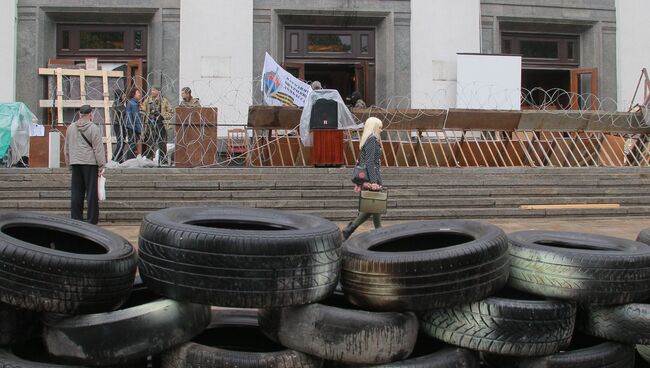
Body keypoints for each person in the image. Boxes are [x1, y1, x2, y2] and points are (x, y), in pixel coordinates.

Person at [342, 117, 383, 240]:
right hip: (371, 178)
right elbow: (370, 163)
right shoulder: (371, 141)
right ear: (374, 127)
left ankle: (351, 229)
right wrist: (374, 182)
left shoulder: (369, 140)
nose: (381, 130)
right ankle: (378, 231)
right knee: (375, 203)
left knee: (373, 205)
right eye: (380, 127)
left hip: (370, 177)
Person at [64, 105, 106, 225]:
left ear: (79, 115)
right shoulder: (93, 128)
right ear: (90, 114)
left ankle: (76, 218)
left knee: (76, 192)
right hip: (90, 163)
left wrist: (68, 164)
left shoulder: (71, 128)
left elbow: (66, 147)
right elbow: (98, 148)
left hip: (75, 162)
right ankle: (92, 219)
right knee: (91, 192)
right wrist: (101, 165)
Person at [142, 85, 173, 163]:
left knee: (162, 143)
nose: (152, 92)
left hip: (161, 125)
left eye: (154, 90)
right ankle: (149, 160)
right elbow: (142, 110)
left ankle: (162, 160)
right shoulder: (147, 100)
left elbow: (171, 112)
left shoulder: (164, 101)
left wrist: (162, 115)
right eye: (151, 90)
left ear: (158, 91)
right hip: (150, 125)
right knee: (150, 142)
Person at [124, 88, 143, 160]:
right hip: (133, 127)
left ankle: (129, 160)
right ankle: (130, 160)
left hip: (130, 126)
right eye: (138, 93)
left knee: (131, 144)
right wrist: (141, 130)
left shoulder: (131, 103)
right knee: (132, 145)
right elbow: (136, 118)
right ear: (134, 94)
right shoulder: (134, 104)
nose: (139, 94)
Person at [111, 89, 127, 163]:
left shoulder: (121, 104)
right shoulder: (117, 104)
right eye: (123, 94)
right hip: (118, 125)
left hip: (121, 125)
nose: (125, 96)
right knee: (120, 143)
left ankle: (119, 159)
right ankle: (114, 159)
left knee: (122, 142)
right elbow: (120, 112)